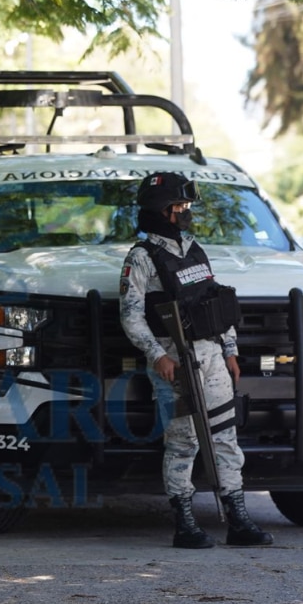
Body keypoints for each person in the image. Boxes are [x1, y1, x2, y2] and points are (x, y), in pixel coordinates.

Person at [119, 171, 273, 549]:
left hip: (213, 358)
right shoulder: (142, 257)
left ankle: (237, 520)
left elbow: (215, 304)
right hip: (174, 359)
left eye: (186, 206)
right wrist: (157, 356)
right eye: (179, 206)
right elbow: (131, 315)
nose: (185, 212)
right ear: (160, 210)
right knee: (184, 441)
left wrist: (230, 349)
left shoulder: (194, 249)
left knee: (224, 436)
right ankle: (185, 524)